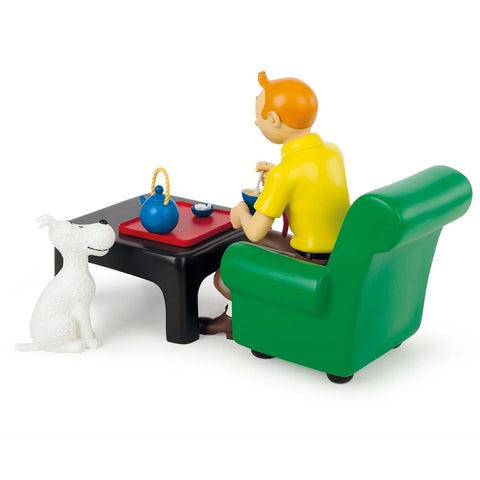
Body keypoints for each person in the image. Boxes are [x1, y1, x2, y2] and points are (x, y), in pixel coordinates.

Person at [199, 71, 350, 338]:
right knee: (263, 241)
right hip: (339, 255)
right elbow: (309, 182)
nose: (256, 122)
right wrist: (279, 176)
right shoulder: (333, 152)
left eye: (258, 115)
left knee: (226, 270)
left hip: (312, 265)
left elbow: (254, 232)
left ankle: (239, 319)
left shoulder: (284, 174)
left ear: (273, 119)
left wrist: (241, 213)